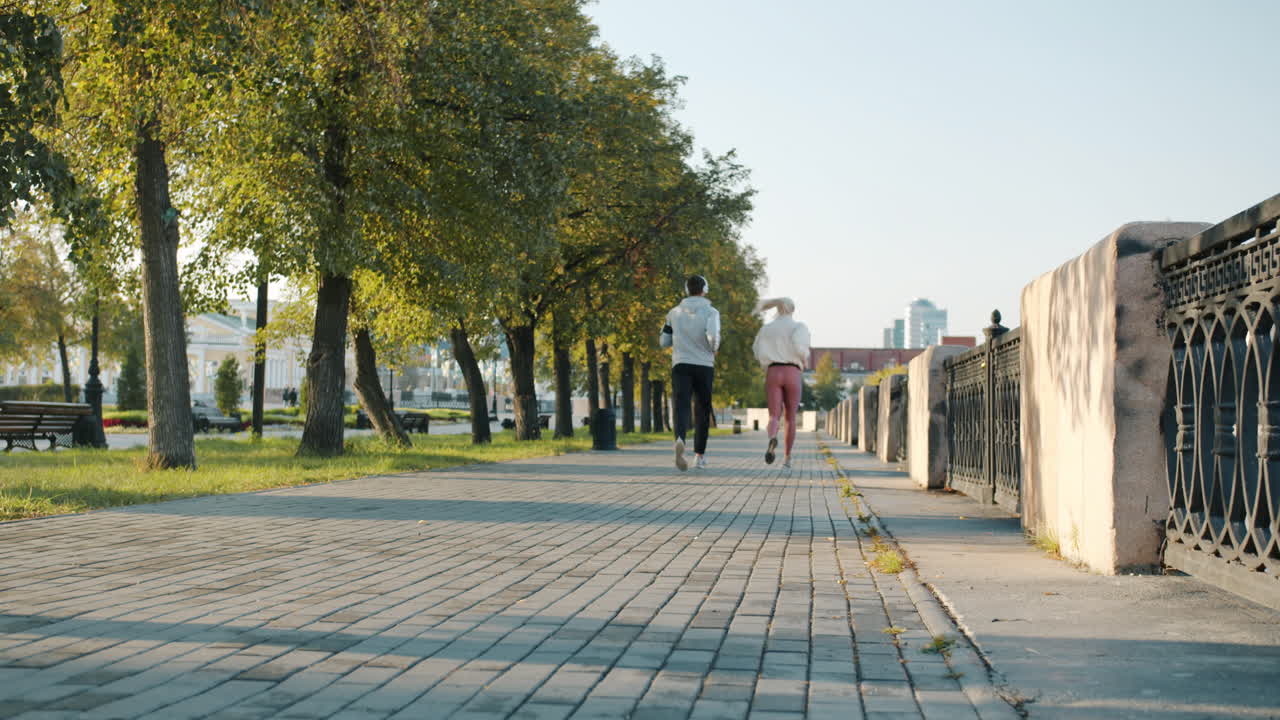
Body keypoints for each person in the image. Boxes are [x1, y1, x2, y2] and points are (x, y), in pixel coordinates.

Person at [660, 275, 720, 471]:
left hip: (681, 364)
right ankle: (699, 456)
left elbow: (664, 342)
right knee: (702, 409)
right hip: (704, 365)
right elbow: (712, 336)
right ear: (705, 289)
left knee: (681, 406)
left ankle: (679, 439)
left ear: (686, 290)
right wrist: (714, 348)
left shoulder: (673, 313)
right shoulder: (711, 312)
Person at [752, 297, 810, 469]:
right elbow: (801, 348)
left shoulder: (766, 329)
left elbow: (757, 350)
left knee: (774, 415)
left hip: (773, 371)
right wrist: (804, 359)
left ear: (777, 309)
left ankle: (772, 438)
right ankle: (787, 457)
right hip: (792, 371)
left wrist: (767, 363)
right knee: (791, 417)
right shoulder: (799, 327)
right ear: (792, 310)